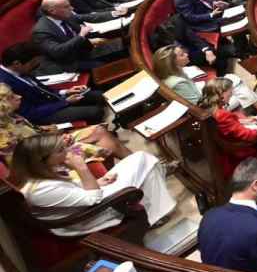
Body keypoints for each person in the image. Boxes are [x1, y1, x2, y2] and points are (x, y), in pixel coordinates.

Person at [11, 134, 175, 236]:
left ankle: (155, 212)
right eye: (60, 150)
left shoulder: (41, 171)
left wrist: (98, 181)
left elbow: (69, 190)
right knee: (146, 164)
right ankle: (154, 216)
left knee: (141, 159)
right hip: (85, 217)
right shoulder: (40, 190)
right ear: (42, 160)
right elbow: (94, 199)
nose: (67, 152)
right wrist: (81, 167)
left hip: (85, 199)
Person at [0, 82, 130, 162]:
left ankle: (133, 162)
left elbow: (35, 131)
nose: (19, 96)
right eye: (12, 97)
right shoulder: (4, 137)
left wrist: (55, 133)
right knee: (102, 140)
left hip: (49, 144)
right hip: (45, 161)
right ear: (3, 105)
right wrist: (58, 142)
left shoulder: (12, 116)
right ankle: (132, 163)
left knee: (99, 131)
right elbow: (28, 159)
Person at [0, 42, 106, 125]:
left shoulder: (19, 70)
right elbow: (30, 113)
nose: (35, 67)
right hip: (43, 114)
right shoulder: (4, 83)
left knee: (100, 95)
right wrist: (65, 102)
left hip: (53, 100)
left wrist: (65, 92)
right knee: (95, 111)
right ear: (17, 63)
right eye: (33, 64)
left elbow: (41, 88)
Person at [32, 0, 108, 75]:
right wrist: (81, 35)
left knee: (115, 49)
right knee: (102, 65)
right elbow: (58, 52)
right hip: (67, 63)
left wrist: (114, 13)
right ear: (52, 11)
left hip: (83, 52)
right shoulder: (41, 31)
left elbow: (90, 17)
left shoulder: (64, 16)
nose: (72, 8)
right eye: (66, 7)